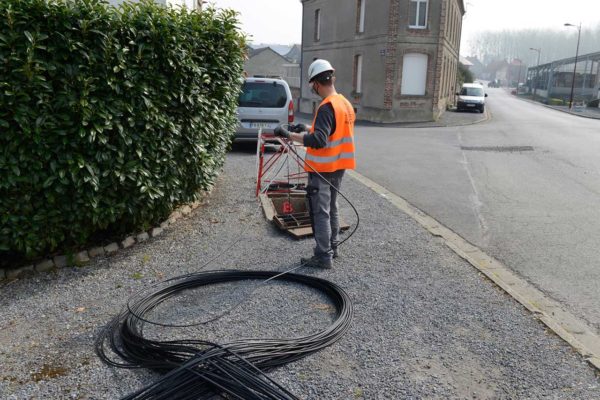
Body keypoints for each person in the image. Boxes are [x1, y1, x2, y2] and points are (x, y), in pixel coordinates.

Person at [275, 59, 356, 269]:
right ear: (332, 78)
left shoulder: (326, 107)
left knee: (321, 212)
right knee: (332, 208)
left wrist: (290, 135)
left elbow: (320, 140)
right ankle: (333, 248)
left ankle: (323, 256)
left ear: (316, 84)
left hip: (322, 169)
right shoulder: (344, 104)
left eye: (313, 86)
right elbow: (330, 130)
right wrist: (307, 127)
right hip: (339, 166)